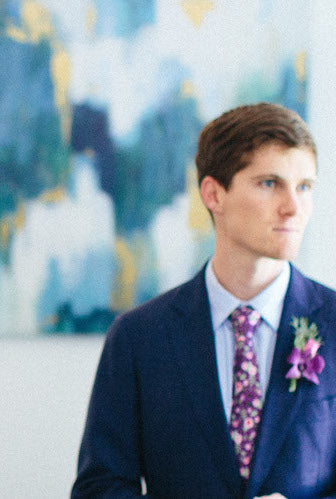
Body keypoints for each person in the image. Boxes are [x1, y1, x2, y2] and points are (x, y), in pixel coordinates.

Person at [72, 102, 336, 498]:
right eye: (270, 183)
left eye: (304, 187)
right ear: (214, 193)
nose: (293, 207)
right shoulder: (138, 337)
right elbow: (100, 488)